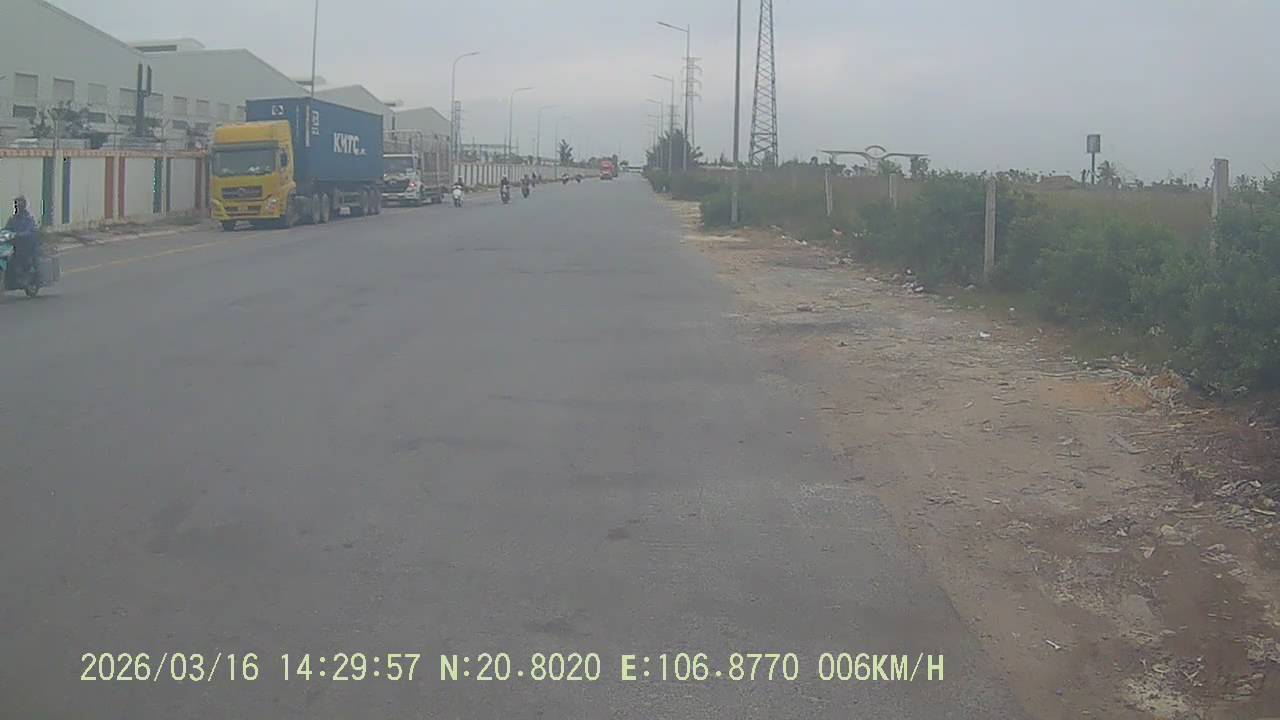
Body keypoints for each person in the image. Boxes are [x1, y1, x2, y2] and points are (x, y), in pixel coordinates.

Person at [5, 195, 38, 279]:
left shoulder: (28, 219)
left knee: (24, 258)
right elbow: (7, 229)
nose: (17, 206)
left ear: (24, 205)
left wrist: (19, 235)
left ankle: (30, 273)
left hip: (26, 246)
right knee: (8, 257)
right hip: (15, 245)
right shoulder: (12, 219)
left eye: (19, 204)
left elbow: (30, 231)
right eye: (16, 204)